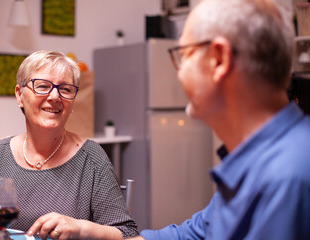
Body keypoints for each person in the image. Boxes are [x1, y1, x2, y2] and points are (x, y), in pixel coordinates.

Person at [129, 0, 310, 239]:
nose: (179, 71)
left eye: (184, 55)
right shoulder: (254, 160)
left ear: (219, 59)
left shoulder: (285, 180)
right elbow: (196, 233)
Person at [0, 50, 138, 239]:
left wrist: (81, 227)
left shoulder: (92, 158)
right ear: (19, 95)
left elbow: (127, 234)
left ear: (72, 103)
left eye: (65, 89)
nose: (55, 96)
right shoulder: (1, 153)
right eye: (42, 86)